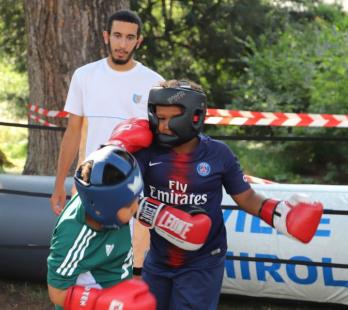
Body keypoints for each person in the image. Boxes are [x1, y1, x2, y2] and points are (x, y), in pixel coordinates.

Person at [105, 80, 324, 310]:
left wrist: (279, 213)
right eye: (159, 118)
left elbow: (246, 197)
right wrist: (115, 148)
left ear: (195, 116)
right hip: (159, 260)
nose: (163, 126)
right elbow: (113, 192)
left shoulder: (218, 154)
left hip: (203, 263)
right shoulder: (148, 153)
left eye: (171, 118)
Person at [50, 8, 163, 215]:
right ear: (106, 36)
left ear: (139, 41)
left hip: (134, 192)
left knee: (131, 248)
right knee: (82, 246)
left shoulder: (155, 82)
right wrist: (59, 184)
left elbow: (161, 142)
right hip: (87, 184)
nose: (122, 44)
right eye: (117, 36)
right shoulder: (84, 76)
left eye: (130, 38)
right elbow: (73, 132)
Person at [47, 145, 156, 310]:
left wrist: (170, 220)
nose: (136, 207)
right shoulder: (73, 236)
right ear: (104, 209)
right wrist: (106, 303)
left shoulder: (108, 200)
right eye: (129, 204)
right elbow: (56, 293)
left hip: (118, 287)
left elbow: (107, 161)